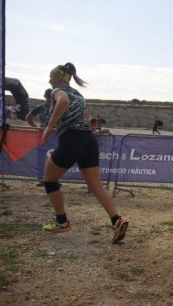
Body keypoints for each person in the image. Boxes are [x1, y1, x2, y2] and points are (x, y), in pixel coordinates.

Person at [40, 62, 128, 243]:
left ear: (58, 78)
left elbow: (63, 102)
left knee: (49, 179)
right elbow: (88, 118)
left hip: (72, 138)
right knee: (96, 186)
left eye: (51, 76)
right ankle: (116, 220)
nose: (49, 80)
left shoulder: (58, 91)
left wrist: (49, 127)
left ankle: (62, 222)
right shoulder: (79, 94)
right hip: (88, 139)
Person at [26, 88, 53, 186]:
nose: (51, 99)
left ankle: (53, 178)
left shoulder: (57, 107)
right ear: (45, 96)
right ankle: (41, 178)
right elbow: (28, 118)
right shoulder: (40, 107)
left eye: (52, 96)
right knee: (41, 157)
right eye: (49, 96)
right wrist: (36, 127)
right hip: (42, 135)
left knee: (54, 157)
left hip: (54, 136)